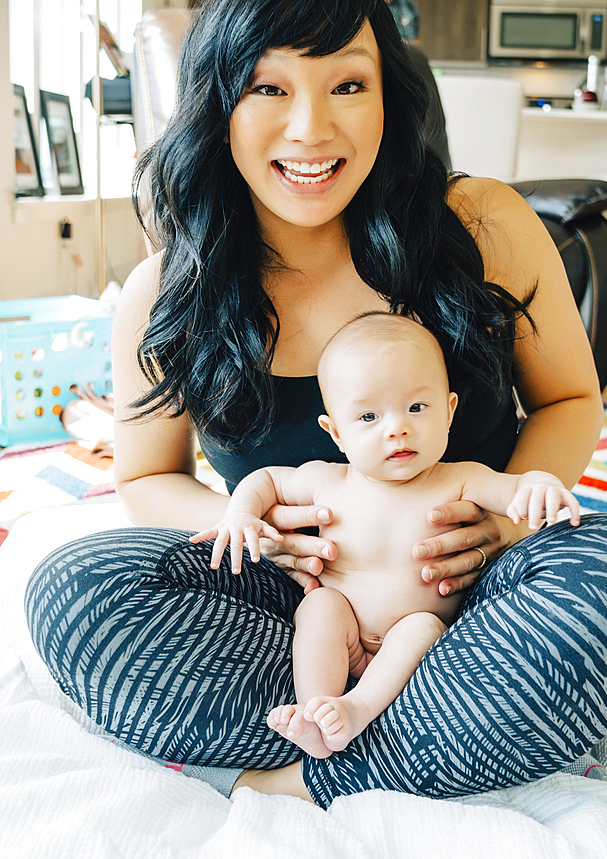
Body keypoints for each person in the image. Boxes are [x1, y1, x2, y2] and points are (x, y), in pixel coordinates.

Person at [25, 0, 607, 810]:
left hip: (474, 590)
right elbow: (146, 476)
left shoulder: (479, 223)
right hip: (294, 602)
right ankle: (421, 732)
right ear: (219, 102)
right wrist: (257, 533)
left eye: (346, 85)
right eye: (269, 88)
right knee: (74, 590)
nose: (309, 131)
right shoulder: (168, 288)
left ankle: (319, 769)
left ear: (388, 95)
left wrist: (510, 521)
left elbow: (566, 397)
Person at [191, 312, 581, 759]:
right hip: (347, 634)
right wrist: (240, 515)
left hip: (417, 650)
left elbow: (515, 488)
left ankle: (357, 708)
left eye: (417, 407)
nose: (396, 427)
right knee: (320, 606)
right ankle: (315, 709)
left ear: (449, 410)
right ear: (336, 432)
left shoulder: (459, 479)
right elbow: (265, 481)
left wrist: (541, 484)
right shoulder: (328, 481)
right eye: (369, 416)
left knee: (422, 626)